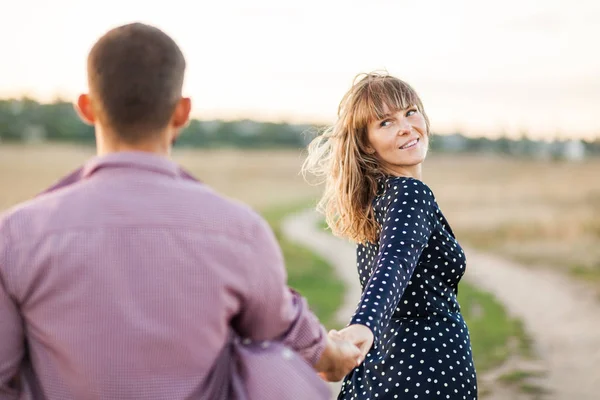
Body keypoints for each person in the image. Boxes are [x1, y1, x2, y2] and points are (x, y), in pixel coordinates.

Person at [0, 23, 362, 400]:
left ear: (87, 107)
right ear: (182, 112)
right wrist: (336, 355)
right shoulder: (238, 230)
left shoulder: (15, 235)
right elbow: (296, 339)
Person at [302, 72, 478, 399]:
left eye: (411, 111)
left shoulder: (377, 202)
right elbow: (394, 264)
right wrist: (364, 325)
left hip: (381, 371)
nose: (406, 126)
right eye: (385, 122)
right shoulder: (409, 194)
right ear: (367, 142)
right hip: (426, 372)